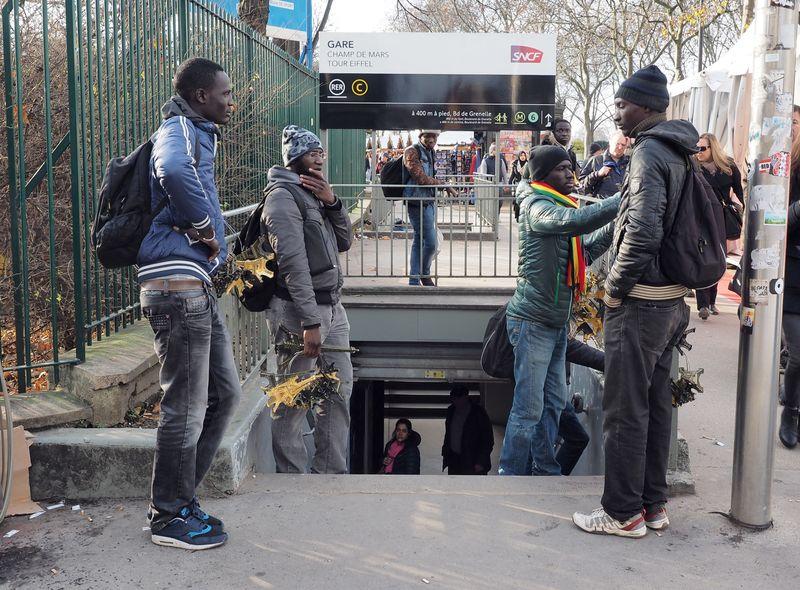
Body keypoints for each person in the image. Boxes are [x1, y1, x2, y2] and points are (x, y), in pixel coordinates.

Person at [573, 65, 694, 538]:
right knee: (656, 405)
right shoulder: (679, 149)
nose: (617, 114)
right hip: (671, 302)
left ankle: (622, 513)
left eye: (622, 105)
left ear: (644, 106)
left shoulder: (647, 153)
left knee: (625, 410)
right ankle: (652, 505)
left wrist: (615, 288)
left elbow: (642, 231)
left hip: (641, 301)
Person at [139, 57, 239, 550]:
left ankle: (182, 500)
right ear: (201, 95)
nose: (231, 102)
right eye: (225, 93)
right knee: (185, 406)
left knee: (225, 395)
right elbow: (173, 169)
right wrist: (203, 227)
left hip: (194, 286)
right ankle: (168, 515)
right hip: (175, 288)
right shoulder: (178, 128)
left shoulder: (197, 131)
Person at [499, 145, 619, 477]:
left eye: (571, 167)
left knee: (552, 404)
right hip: (532, 322)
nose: (570, 174)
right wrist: (622, 199)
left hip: (555, 324)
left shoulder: (560, 204)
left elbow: (586, 250)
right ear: (542, 175)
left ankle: (545, 471)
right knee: (528, 409)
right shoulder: (537, 206)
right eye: (561, 169)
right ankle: (510, 474)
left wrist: (616, 223)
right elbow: (574, 222)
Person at [263, 125, 354, 474]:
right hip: (299, 312)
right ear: (295, 158)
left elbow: (344, 241)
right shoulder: (282, 198)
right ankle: (292, 478)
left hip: (333, 306)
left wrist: (333, 203)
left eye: (321, 153)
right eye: (312, 153)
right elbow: (293, 264)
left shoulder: (315, 193)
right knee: (294, 398)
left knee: (338, 389)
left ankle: (330, 474)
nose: (319, 159)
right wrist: (310, 321)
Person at [694, 132, 744, 320]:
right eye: (696, 148)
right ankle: (703, 304)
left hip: (722, 218)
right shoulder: (695, 167)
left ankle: (712, 301)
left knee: (718, 259)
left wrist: (739, 210)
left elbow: (739, 192)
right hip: (701, 217)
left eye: (702, 148)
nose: (698, 152)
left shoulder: (729, 166)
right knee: (703, 258)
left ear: (712, 148)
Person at [403, 130, 456, 286]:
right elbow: (420, 178)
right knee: (431, 242)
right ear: (421, 137)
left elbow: (428, 177)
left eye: (434, 136)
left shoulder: (430, 152)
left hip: (429, 201)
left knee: (419, 240)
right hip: (416, 202)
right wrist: (443, 184)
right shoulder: (412, 151)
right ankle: (423, 275)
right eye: (427, 136)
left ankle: (415, 279)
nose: (431, 139)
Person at [780, 104, 800, 449]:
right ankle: (790, 411)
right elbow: (774, 218)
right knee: (798, 351)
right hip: (793, 272)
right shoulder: (788, 167)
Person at [442, 385, 494, 475]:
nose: (457, 401)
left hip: (472, 459)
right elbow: (448, 435)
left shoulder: (478, 413)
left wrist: (481, 461)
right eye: (454, 399)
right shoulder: (451, 411)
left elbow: (487, 439)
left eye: (459, 398)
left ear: (466, 397)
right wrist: (446, 453)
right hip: (454, 459)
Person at [579, 130, 630, 199]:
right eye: (617, 144)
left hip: (624, 204)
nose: (620, 147)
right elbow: (582, 185)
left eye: (623, 145)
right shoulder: (596, 160)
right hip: (600, 203)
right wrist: (597, 174)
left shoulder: (630, 162)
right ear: (610, 143)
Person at [478, 143, 511, 210]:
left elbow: (504, 173)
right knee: (490, 202)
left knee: (500, 201)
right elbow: (483, 175)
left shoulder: (500, 161)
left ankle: (497, 214)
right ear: (492, 151)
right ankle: (492, 214)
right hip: (489, 184)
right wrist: (485, 185)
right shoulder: (485, 161)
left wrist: (506, 184)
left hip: (499, 183)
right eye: (495, 150)